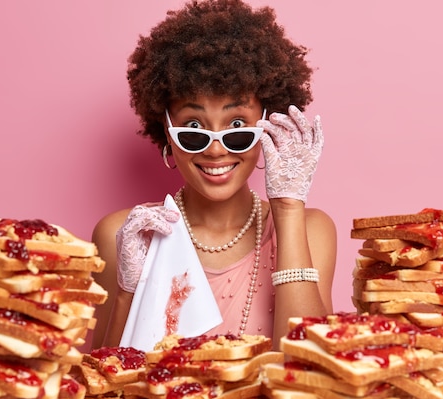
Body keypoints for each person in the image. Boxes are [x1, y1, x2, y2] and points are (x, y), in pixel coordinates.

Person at [91, 0, 337, 351]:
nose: (216, 149)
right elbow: (100, 389)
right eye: (194, 128)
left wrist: (288, 208)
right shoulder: (125, 235)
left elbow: (312, 370)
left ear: (267, 124)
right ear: (167, 132)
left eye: (237, 125)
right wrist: (130, 289)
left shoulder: (310, 229)